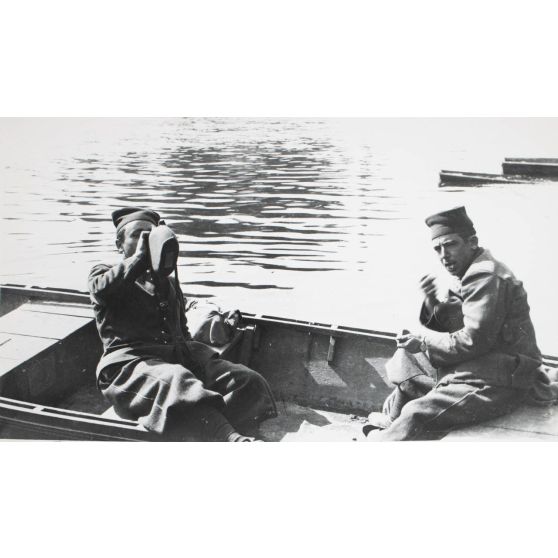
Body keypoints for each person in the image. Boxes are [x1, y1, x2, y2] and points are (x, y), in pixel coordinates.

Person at [364, 205, 557, 441]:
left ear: (472, 242)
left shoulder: (486, 277)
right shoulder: (472, 271)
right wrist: (432, 301)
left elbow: (473, 340)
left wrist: (423, 342)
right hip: (485, 363)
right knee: (408, 356)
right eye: (438, 249)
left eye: (450, 245)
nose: (444, 255)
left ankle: (382, 440)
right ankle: (394, 419)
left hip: (502, 378)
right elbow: (457, 323)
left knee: (418, 413)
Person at [88, 207, 277, 441]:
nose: (144, 241)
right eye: (137, 235)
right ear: (119, 245)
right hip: (128, 368)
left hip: (175, 359)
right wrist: (139, 258)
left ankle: (212, 428)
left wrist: (200, 360)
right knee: (177, 380)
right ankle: (230, 438)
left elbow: (181, 330)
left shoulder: (167, 282)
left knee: (248, 381)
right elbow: (102, 290)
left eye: (150, 235)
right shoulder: (102, 273)